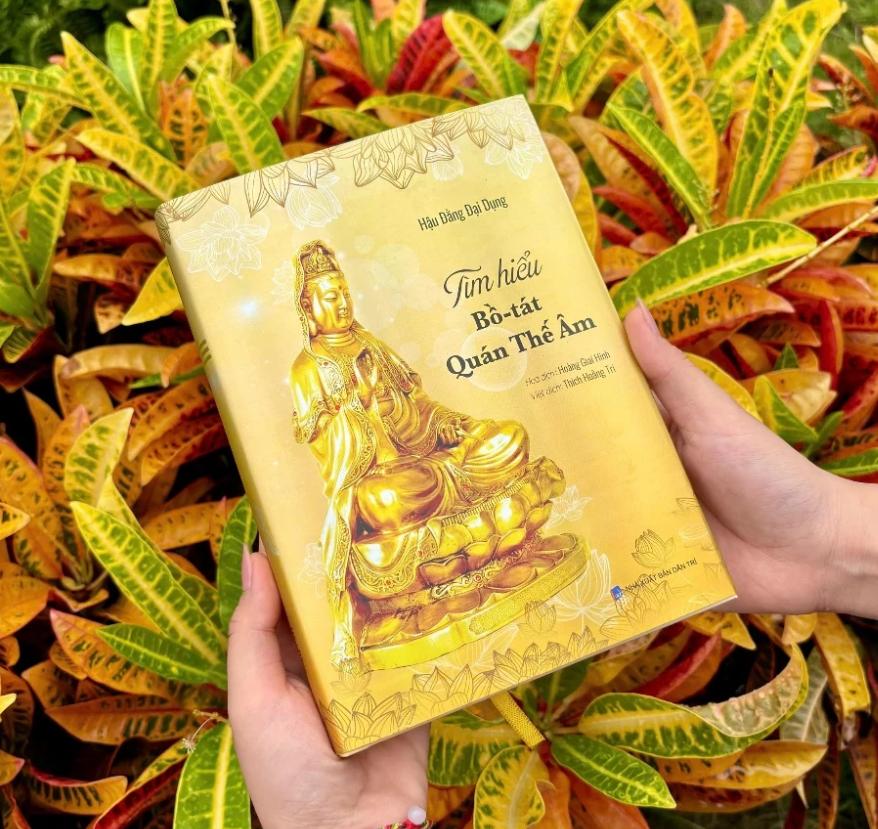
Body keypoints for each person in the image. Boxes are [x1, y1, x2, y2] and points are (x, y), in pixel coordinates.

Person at [227, 301, 878, 829]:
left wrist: (459, 434)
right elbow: (330, 451)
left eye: (339, 291)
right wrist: (358, 424)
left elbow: (426, 416)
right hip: (390, 491)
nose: (336, 303)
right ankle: (462, 539)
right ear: (309, 308)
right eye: (324, 297)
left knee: (505, 441)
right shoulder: (311, 368)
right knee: (387, 499)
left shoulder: (372, 346)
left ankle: (470, 530)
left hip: (438, 475)